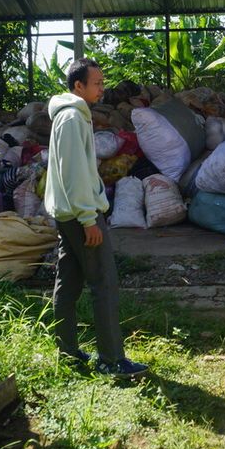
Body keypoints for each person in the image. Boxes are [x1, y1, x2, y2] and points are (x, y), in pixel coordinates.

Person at [44, 58, 148, 378]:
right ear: (78, 86)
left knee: (68, 285)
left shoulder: (68, 115)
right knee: (104, 283)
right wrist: (89, 218)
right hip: (80, 216)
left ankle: (68, 353)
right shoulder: (73, 118)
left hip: (67, 215)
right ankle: (111, 360)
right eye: (97, 84)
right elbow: (75, 173)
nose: (103, 89)